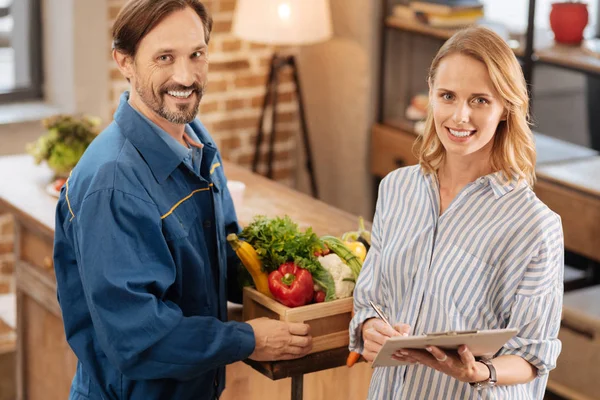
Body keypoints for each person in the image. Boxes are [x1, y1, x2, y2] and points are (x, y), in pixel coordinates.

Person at [53, 1, 312, 399]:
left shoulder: (195, 138)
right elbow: (138, 337)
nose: (185, 76)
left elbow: (219, 257)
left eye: (197, 54)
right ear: (124, 61)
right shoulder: (114, 184)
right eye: (164, 57)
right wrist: (247, 339)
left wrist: (301, 279)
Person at [350, 27, 564, 399]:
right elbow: (371, 299)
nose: (459, 116)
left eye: (480, 100)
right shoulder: (398, 188)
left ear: (505, 109)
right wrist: (369, 327)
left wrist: (480, 371)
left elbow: (534, 354)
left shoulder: (534, 225)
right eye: (447, 96)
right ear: (431, 95)